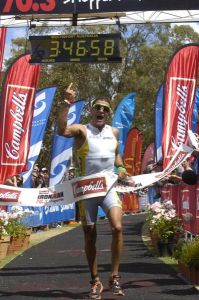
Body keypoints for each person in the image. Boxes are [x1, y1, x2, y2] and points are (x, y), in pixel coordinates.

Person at [57, 83, 127, 299]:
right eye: (98, 107)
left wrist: (122, 167)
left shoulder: (113, 132)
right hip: (87, 192)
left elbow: (116, 157)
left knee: (117, 227)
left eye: (106, 109)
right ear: (91, 110)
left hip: (108, 188)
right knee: (90, 236)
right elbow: (62, 130)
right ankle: (95, 280)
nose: (101, 112)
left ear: (109, 114)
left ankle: (114, 277)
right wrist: (66, 103)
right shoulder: (82, 130)